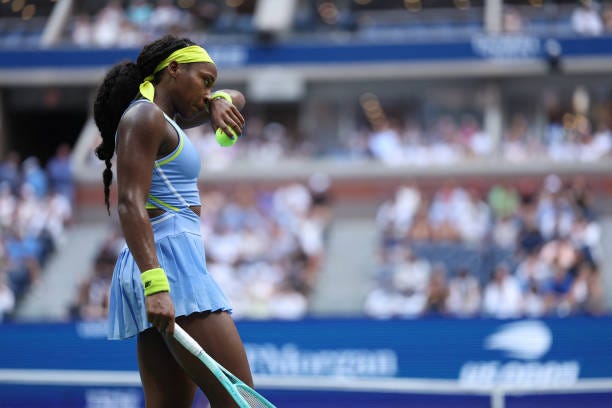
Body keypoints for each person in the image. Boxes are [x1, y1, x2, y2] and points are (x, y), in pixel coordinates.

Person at [93, 35, 252, 407]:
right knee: (241, 402)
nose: (207, 90)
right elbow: (130, 204)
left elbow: (238, 99)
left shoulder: (163, 119)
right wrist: (156, 284)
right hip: (167, 262)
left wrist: (218, 100)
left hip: (162, 260)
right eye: (205, 81)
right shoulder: (144, 116)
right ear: (175, 70)